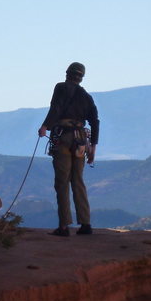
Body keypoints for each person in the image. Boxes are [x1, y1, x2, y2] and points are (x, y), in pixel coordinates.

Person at [38, 62, 100, 236]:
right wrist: (93, 147)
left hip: (63, 138)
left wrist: (45, 126)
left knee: (62, 182)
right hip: (81, 141)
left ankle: (64, 226)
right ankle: (85, 224)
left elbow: (56, 108)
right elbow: (95, 121)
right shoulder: (86, 97)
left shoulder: (61, 88)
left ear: (67, 73)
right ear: (81, 77)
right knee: (78, 181)